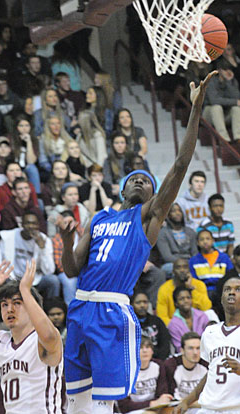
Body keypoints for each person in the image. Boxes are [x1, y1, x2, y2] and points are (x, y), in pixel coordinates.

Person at [56, 71, 217, 413]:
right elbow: (70, 270)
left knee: (104, 400)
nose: (143, 183)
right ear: (123, 189)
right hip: (81, 308)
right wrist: (67, 238)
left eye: (148, 182)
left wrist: (195, 108)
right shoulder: (99, 218)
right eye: (137, 179)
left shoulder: (148, 217)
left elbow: (181, 165)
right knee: (76, 400)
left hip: (112, 311)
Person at [0, 259, 63, 413]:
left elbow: (49, 336)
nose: (10, 309)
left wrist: (26, 292)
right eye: (4, 305)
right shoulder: (0, 341)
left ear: (31, 306)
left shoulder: (42, 340)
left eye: (17, 303)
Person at [174, 276, 240, 414]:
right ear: (221, 299)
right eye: (227, 289)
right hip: (208, 408)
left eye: (238, 289)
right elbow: (211, 372)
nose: (231, 292)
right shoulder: (210, 332)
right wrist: (187, 400)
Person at [0, 212, 60, 301]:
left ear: (38, 225)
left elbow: (49, 271)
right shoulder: (8, 237)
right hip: (13, 278)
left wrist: (42, 248)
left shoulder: (44, 239)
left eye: (34, 223)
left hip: (35, 279)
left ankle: (51, 310)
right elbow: (0, 262)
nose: (31, 226)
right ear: (22, 224)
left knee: (53, 281)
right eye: (28, 223)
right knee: (2, 280)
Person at [117, 337, 172, 413]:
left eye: (147, 347)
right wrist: (151, 403)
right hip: (133, 410)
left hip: (155, 406)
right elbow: (124, 406)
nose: (145, 351)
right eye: (140, 348)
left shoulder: (158, 365)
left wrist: (163, 398)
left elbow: (162, 393)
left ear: (152, 351)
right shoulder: (124, 370)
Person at [157, 258, 212, 327]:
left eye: (185, 267)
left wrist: (191, 288)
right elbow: (162, 317)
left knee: (210, 313)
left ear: (189, 270)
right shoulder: (164, 289)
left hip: (198, 325)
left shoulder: (199, 285)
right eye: (178, 268)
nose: (182, 270)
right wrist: (178, 327)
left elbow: (206, 307)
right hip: (174, 327)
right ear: (173, 271)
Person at [202, 59, 240, 146]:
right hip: (209, 114)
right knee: (216, 107)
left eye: (228, 69)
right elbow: (214, 100)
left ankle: (238, 137)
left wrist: (229, 81)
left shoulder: (232, 81)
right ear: (219, 70)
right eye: (224, 69)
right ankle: (224, 139)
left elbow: (237, 98)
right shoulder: (211, 81)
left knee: (236, 109)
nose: (227, 72)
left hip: (224, 114)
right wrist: (233, 102)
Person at [156, 202, 198, 279]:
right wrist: (183, 264)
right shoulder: (162, 233)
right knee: (168, 268)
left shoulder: (190, 232)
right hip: (172, 263)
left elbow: (195, 252)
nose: (177, 213)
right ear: (168, 215)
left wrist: (190, 263)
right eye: (173, 211)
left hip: (190, 262)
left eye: (179, 210)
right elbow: (167, 257)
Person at [189, 229, 233, 300]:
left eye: (208, 239)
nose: (205, 241)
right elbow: (194, 281)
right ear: (197, 243)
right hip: (203, 293)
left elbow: (231, 276)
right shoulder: (193, 261)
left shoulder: (224, 257)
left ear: (213, 241)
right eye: (202, 239)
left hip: (222, 291)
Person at [165, 332, 208, 404]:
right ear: (182, 350)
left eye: (198, 348)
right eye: (190, 348)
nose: (195, 352)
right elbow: (172, 399)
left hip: (201, 407)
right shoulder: (171, 365)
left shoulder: (206, 364)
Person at [52, 210, 81, 306]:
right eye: (65, 223)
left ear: (76, 223)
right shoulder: (56, 239)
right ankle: (70, 309)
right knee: (70, 281)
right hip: (65, 272)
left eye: (71, 222)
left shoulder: (84, 235)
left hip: (83, 270)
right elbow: (59, 265)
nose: (69, 225)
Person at [168, 287, 209, 352]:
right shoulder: (172, 325)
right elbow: (179, 347)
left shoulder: (202, 316)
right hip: (185, 357)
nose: (186, 301)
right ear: (176, 303)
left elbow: (209, 338)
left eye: (188, 298)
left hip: (205, 353)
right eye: (182, 299)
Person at [131, 291, 170, 360]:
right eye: (138, 302)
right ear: (131, 305)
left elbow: (165, 345)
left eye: (145, 302)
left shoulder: (157, 321)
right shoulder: (129, 323)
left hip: (157, 361)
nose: (142, 305)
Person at [197, 193, 235, 258]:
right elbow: (200, 246)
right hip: (209, 258)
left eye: (221, 206)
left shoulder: (229, 224)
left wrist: (228, 259)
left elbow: (231, 245)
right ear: (210, 208)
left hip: (225, 258)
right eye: (215, 206)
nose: (218, 209)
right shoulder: (204, 225)